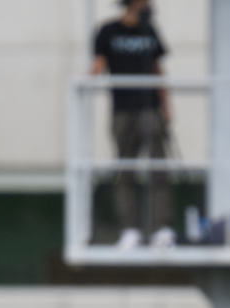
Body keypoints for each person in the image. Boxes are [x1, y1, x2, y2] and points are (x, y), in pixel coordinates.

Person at [91, 0, 175, 249]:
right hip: (123, 111)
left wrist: (166, 105)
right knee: (126, 171)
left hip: (150, 109)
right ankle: (130, 229)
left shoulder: (150, 30)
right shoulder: (108, 31)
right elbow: (99, 64)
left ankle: (162, 228)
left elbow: (157, 68)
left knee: (158, 169)